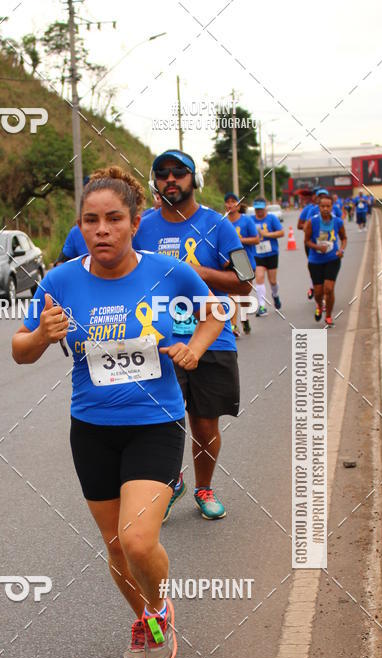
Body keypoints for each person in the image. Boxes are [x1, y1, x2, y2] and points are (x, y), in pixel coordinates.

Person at [12, 166, 224, 658]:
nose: (101, 229)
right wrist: (42, 335)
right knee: (114, 548)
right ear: (80, 227)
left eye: (113, 219)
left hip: (155, 422)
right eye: (91, 220)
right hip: (91, 430)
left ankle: (159, 608)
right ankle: (150, 619)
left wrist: (195, 347)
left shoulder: (166, 272)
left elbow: (216, 309)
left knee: (137, 539)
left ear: (134, 223)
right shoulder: (61, 280)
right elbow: (20, 350)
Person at [133, 149, 252, 522]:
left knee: (204, 422)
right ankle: (170, 484)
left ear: (193, 178)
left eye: (179, 172)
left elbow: (246, 281)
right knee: (160, 422)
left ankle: (203, 487)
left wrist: (197, 271)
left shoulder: (221, 226)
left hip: (211, 339)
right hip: (157, 341)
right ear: (155, 182)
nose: (171, 179)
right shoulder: (142, 227)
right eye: (162, 173)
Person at [305, 193, 347, 327]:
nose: (325, 209)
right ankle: (318, 304)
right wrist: (317, 247)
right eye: (322, 206)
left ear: (332, 207)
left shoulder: (338, 221)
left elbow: (344, 238)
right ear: (319, 207)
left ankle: (328, 316)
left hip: (332, 258)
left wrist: (341, 250)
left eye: (328, 206)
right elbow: (306, 241)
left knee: (329, 289)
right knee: (318, 292)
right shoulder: (313, 222)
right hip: (315, 260)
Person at [224, 192, 258, 336]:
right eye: (228, 202)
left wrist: (238, 241)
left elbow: (256, 239)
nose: (230, 204)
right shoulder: (223, 221)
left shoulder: (246, 221)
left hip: (245, 261)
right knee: (231, 295)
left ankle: (244, 318)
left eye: (233, 202)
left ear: (238, 205)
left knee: (244, 294)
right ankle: (233, 326)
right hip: (228, 262)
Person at [251, 197, 285, 314]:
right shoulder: (250, 220)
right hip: (257, 254)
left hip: (271, 253)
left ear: (265, 208)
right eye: (256, 209)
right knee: (259, 278)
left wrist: (267, 234)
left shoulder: (272, 218)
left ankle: (275, 295)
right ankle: (262, 306)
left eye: (260, 209)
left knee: (272, 281)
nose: (258, 211)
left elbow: (281, 232)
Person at [298, 188, 319, 299]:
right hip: (310, 243)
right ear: (313, 197)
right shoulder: (308, 209)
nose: (319, 198)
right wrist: (310, 228)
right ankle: (313, 286)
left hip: (327, 244)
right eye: (317, 195)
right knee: (313, 265)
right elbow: (299, 225)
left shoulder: (331, 208)